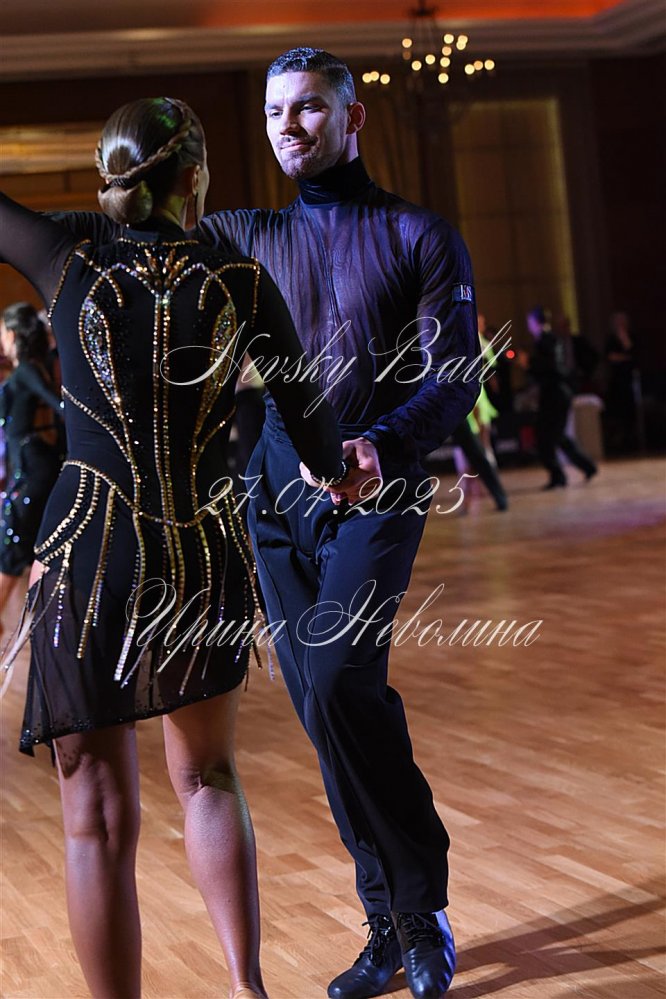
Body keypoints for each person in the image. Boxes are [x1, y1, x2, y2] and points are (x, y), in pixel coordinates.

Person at [48, 49, 479, 999]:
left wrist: (380, 444)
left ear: (352, 118)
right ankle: (385, 918)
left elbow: (457, 375)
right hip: (275, 500)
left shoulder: (419, 234)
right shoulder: (238, 235)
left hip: (378, 488)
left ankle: (421, 907)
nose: (289, 124)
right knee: (322, 704)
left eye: (310, 108)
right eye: (277, 110)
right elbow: (126, 231)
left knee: (337, 676)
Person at [0, 96, 346, 999]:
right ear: (193, 175)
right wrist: (341, 473)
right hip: (198, 553)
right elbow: (315, 431)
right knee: (208, 776)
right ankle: (246, 987)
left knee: (94, 814)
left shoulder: (67, 257)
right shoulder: (239, 277)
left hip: (89, 552)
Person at [0, 303, 63, 639]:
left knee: (11, 553)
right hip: (30, 469)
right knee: (19, 552)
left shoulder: (27, 370)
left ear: (13, 335)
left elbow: (60, 407)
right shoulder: (33, 367)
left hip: (30, 473)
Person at [522, 305, 597, 489]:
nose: (528, 326)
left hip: (555, 395)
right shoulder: (547, 340)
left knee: (545, 437)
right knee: (557, 436)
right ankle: (586, 467)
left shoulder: (547, 340)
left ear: (535, 322)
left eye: (529, 322)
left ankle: (559, 476)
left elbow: (552, 368)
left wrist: (529, 364)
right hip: (555, 395)